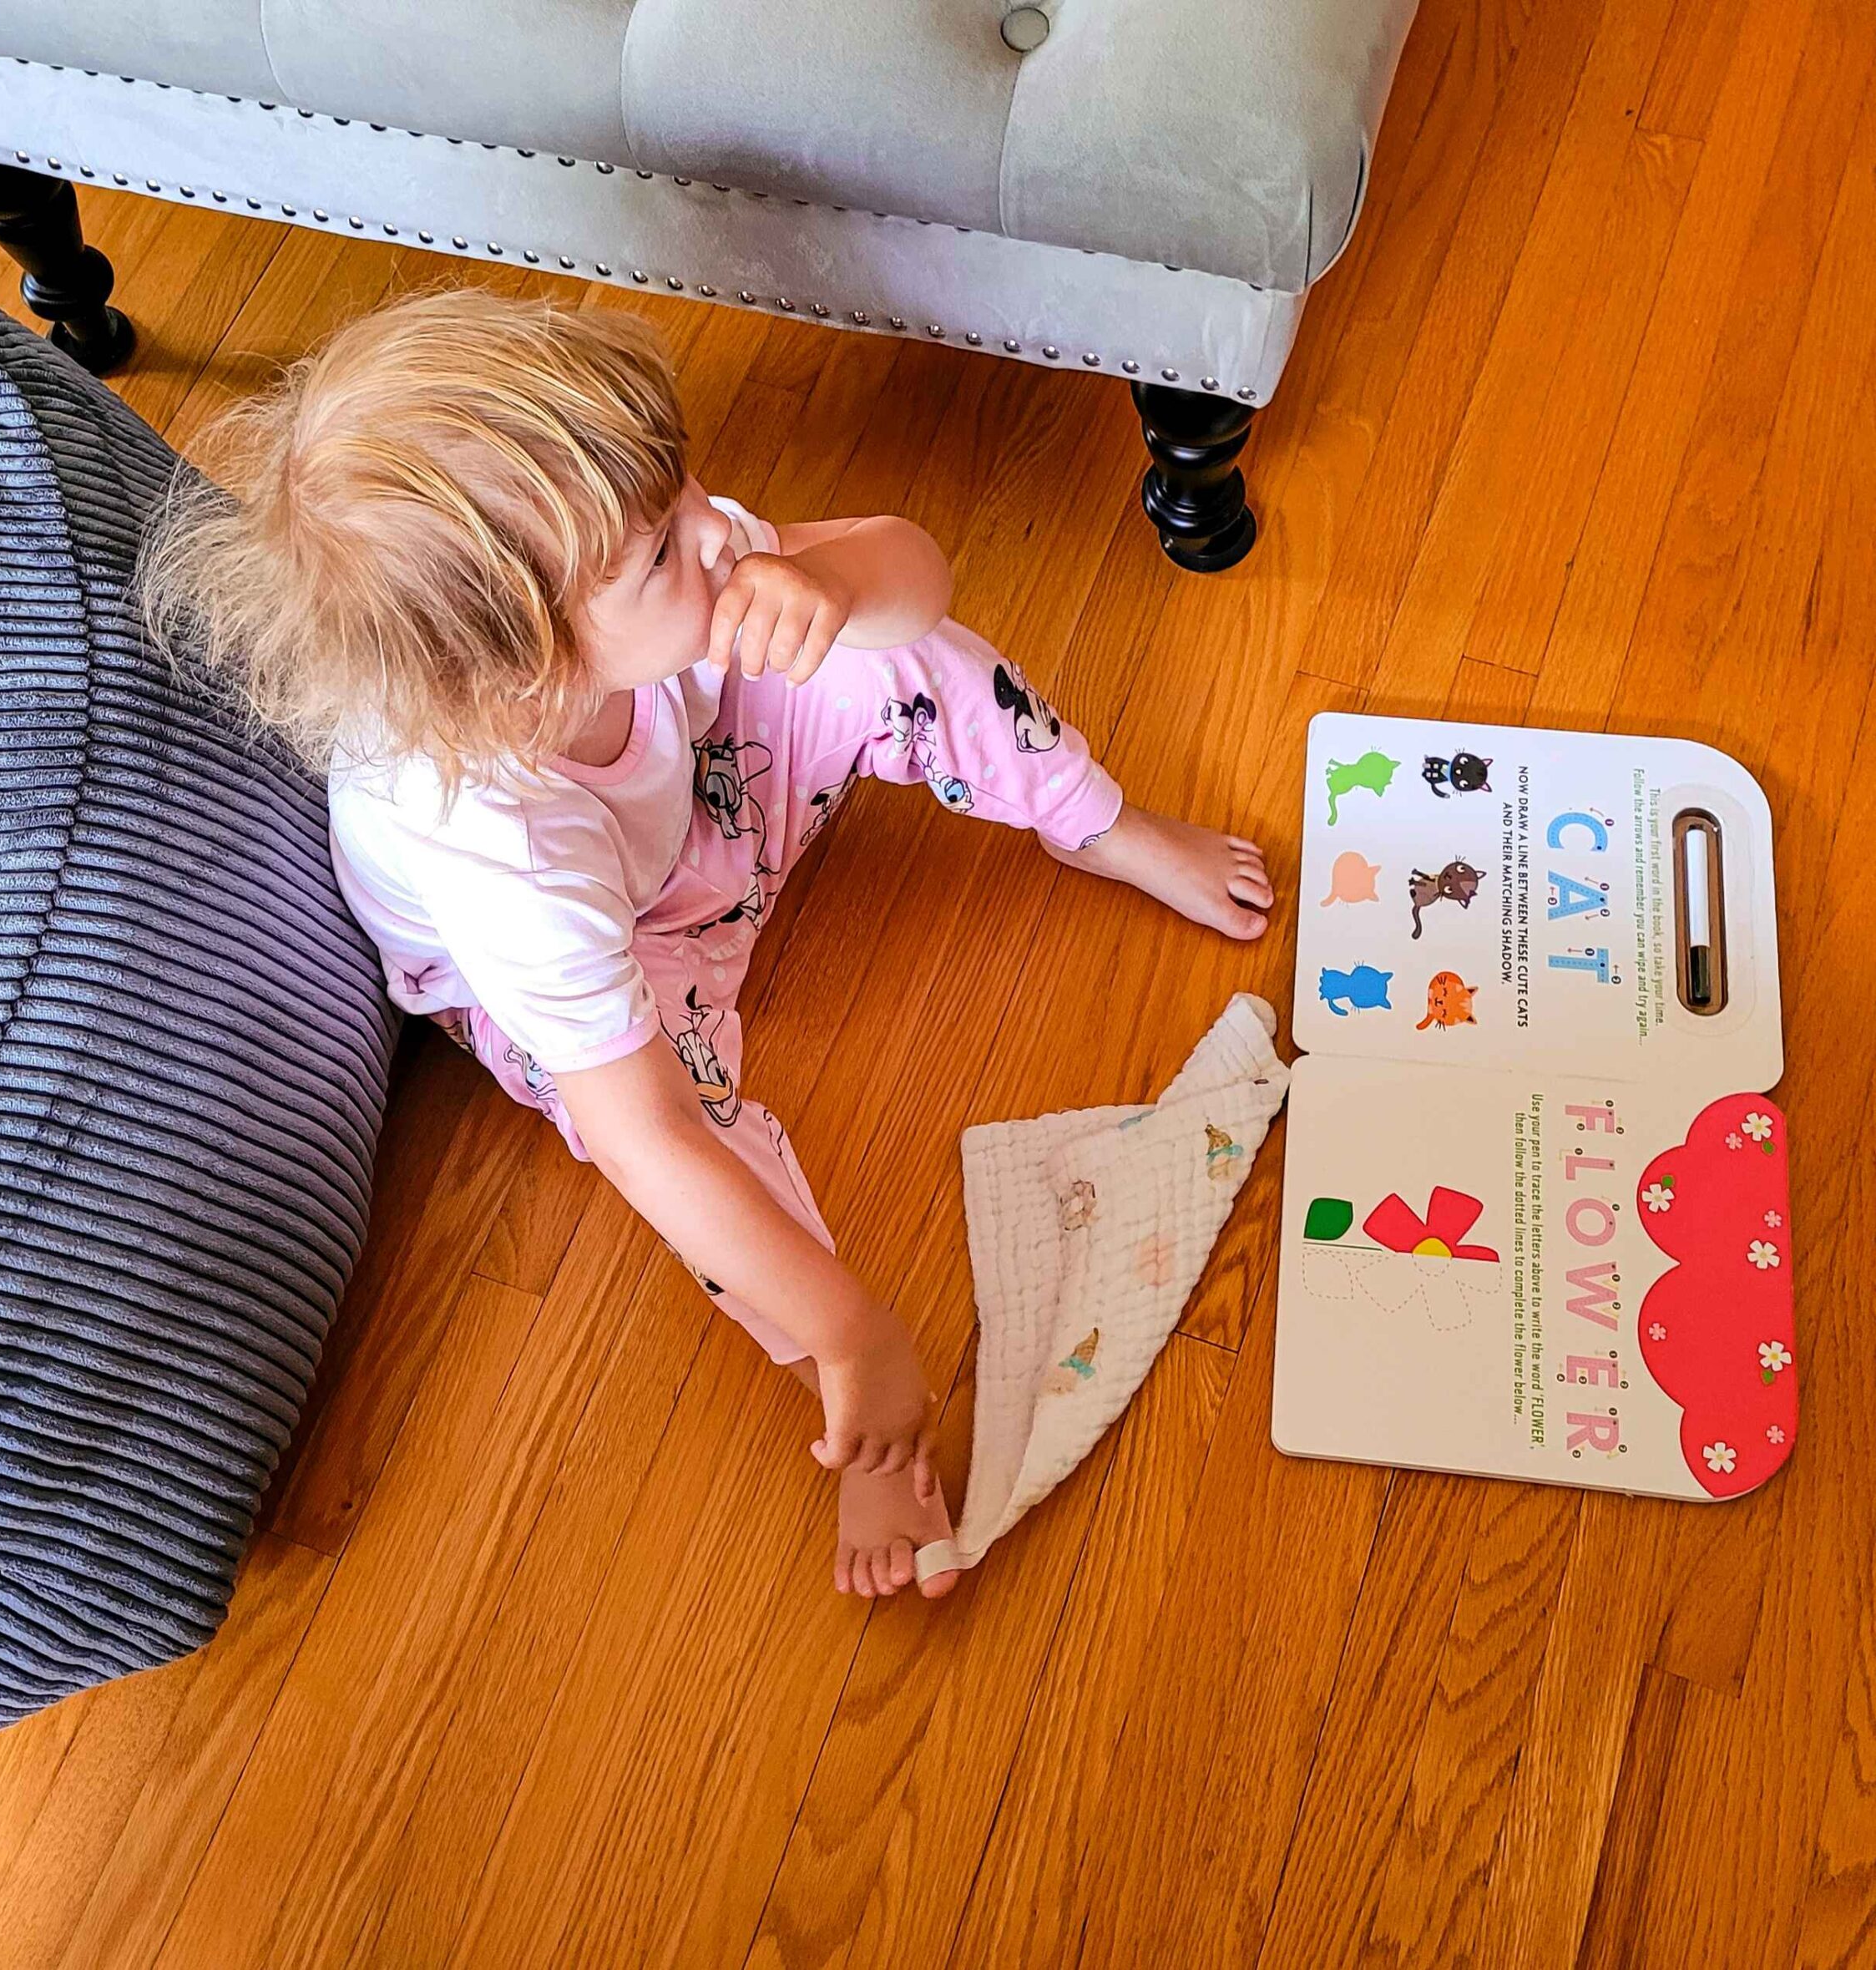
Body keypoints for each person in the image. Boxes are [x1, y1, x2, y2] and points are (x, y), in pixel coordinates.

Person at [140, 287, 1272, 1601]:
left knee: (882, 655)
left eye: (679, 496)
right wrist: (854, 1332)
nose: (714, 531)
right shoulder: (494, 845)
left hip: (697, 810)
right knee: (705, 1151)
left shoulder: (657, 578)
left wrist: (831, 585)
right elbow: (648, 1138)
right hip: (600, 965)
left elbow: (914, 581)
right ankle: (842, 1396)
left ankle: (1097, 823)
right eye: (664, 550)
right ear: (525, 672)